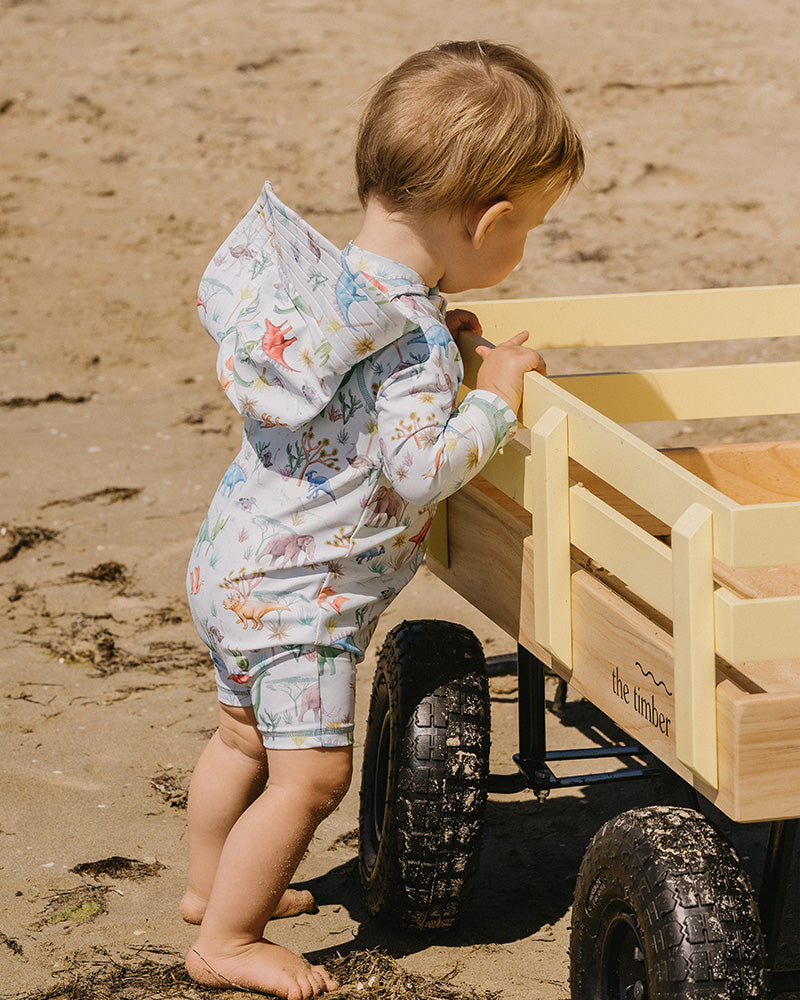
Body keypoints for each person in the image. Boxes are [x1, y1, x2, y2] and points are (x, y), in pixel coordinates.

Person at [182, 39, 583, 999]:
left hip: (231, 564)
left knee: (241, 739)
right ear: (486, 222)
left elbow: (354, 405)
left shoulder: (330, 289)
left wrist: (444, 341)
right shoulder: (417, 349)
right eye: (526, 229)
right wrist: (492, 395)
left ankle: (211, 888)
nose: (521, 248)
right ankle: (225, 943)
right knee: (311, 779)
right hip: (301, 607)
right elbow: (414, 471)